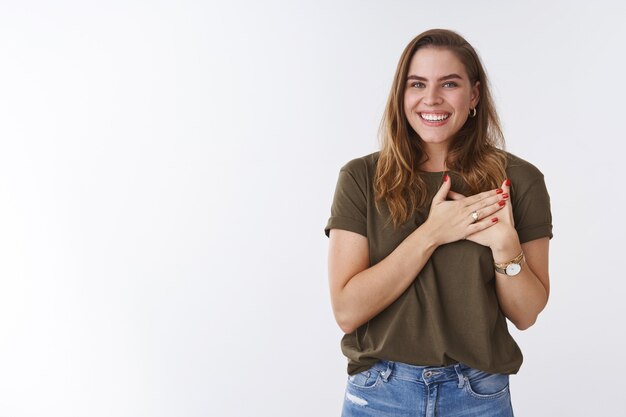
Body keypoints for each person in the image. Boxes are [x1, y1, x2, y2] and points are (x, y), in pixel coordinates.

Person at [324, 29, 552, 417]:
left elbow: (526, 314)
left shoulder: (519, 179)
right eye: (417, 84)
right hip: (380, 393)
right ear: (402, 94)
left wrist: (504, 245)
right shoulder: (361, 177)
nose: (431, 99)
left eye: (449, 83)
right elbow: (347, 310)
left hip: (479, 395)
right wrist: (432, 233)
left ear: (474, 95)